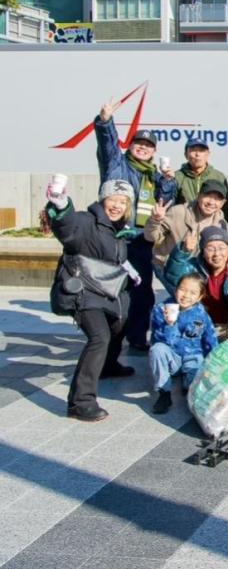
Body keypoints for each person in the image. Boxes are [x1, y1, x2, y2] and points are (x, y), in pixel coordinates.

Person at [47, 179, 137, 422]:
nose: (117, 205)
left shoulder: (119, 229)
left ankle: (108, 366)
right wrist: (61, 203)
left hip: (107, 292)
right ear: (102, 199)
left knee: (120, 324)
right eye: (112, 199)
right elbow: (66, 227)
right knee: (100, 337)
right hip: (84, 292)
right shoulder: (87, 221)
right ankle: (80, 401)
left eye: (122, 201)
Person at [94, 101, 177, 352]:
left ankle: (137, 337)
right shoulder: (117, 165)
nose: (143, 148)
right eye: (139, 144)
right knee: (113, 289)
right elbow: (107, 145)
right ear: (129, 146)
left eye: (148, 146)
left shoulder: (153, 174)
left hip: (141, 240)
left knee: (142, 290)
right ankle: (106, 337)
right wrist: (105, 121)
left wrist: (168, 181)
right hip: (115, 237)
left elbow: (164, 203)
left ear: (154, 152)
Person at [148, 273, 218, 414]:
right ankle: (164, 393)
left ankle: (188, 383)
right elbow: (162, 340)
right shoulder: (161, 309)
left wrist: (215, 363)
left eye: (193, 292)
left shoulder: (201, 314)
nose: (186, 295)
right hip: (171, 358)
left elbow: (210, 339)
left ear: (200, 297)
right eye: (183, 289)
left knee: (194, 384)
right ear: (175, 290)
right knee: (157, 349)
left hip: (192, 357)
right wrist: (170, 324)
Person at [162, 226, 228, 325]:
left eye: (221, 248)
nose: (217, 253)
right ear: (203, 251)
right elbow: (173, 276)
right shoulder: (195, 267)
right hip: (199, 325)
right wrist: (182, 251)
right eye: (210, 249)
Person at [144, 180, 228, 271]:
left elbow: (226, 255)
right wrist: (155, 220)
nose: (211, 202)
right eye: (207, 196)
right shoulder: (178, 212)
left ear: (222, 203)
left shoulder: (221, 224)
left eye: (217, 199)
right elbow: (150, 237)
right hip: (168, 266)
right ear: (198, 195)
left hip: (199, 270)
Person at [173, 138, 228, 221]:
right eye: (193, 150)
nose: (197, 154)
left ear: (208, 154)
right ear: (186, 155)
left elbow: (226, 209)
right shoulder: (176, 177)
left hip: (211, 227)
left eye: (201, 150)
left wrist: (227, 231)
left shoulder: (219, 177)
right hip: (184, 226)